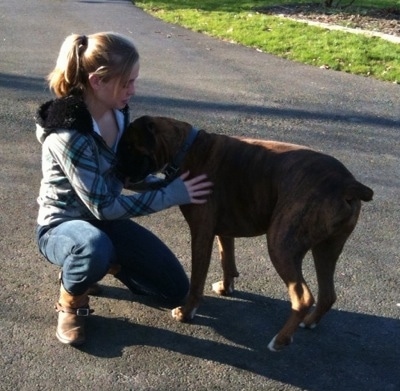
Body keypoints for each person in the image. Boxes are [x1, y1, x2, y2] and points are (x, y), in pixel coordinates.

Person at [35, 32, 213, 346]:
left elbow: (122, 176)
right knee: (91, 246)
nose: (133, 90)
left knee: (174, 291)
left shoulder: (117, 113)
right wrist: (170, 196)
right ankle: (71, 301)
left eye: (134, 81)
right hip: (62, 226)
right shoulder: (69, 134)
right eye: (126, 82)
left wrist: (163, 182)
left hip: (105, 222)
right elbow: (102, 206)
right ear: (97, 81)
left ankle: (108, 262)